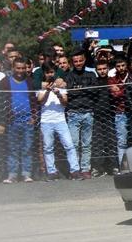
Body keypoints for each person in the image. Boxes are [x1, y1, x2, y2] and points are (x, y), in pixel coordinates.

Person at [36, 63, 80, 181]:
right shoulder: (41, 86)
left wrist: (58, 93)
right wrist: (47, 91)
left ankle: (74, 170)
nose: (50, 74)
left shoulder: (61, 85)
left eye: (52, 72)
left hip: (60, 120)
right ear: (44, 74)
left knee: (69, 145)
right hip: (46, 121)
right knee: (48, 147)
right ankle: (51, 171)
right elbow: (40, 101)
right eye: (47, 72)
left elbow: (65, 102)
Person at [0, 58, 37, 184]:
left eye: (23, 68)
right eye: (18, 68)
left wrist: (34, 116)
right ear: (13, 68)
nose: (20, 71)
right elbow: (1, 99)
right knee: (13, 149)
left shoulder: (29, 81)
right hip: (12, 121)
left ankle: (26, 173)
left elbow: (34, 100)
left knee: (27, 148)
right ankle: (12, 174)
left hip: (27, 120)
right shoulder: (6, 82)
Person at [64, 50, 98, 180]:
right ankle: (75, 169)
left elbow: (94, 91)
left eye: (80, 60)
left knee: (86, 144)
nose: (78, 63)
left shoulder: (91, 74)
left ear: (84, 60)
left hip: (88, 112)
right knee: (73, 144)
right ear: (72, 62)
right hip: (73, 113)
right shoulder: (68, 76)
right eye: (75, 61)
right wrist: (84, 88)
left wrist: (78, 88)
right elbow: (70, 93)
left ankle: (85, 169)